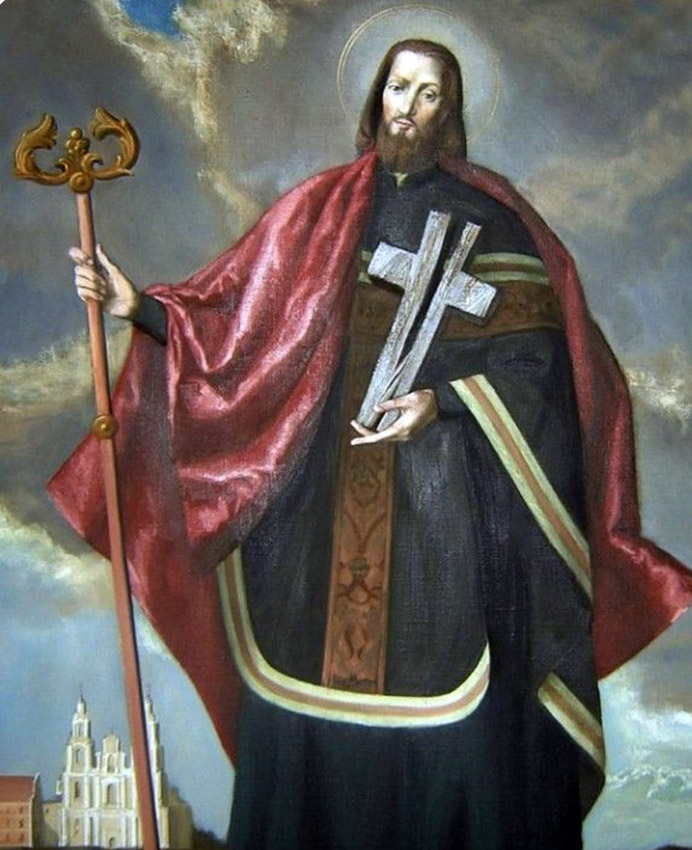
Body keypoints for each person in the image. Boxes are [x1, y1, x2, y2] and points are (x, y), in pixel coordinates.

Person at [55, 40, 692, 850]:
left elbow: (540, 371)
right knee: (299, 724)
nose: (408, 108)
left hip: (447, 535)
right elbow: (236, 324)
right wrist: (138, 308)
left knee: (465, 733)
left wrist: (444, 400)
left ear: (449, 114)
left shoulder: (495, 224)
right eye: (398, 87)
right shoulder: (320, 213)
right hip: (316, 532)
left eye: (429, 94)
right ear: (375, 98)